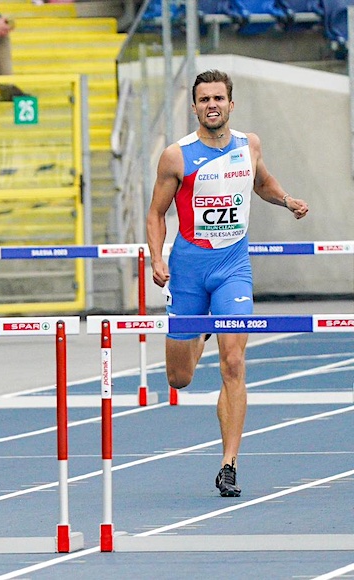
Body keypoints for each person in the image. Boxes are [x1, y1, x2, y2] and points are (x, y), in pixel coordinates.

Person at [146, 69, 309, 498]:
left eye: (219, 98)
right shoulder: (175, 157)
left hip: (233, 269)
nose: (212, 104)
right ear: (195, 106)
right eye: (204, 99)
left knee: (233, 363)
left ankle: (229, 464)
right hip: (187, 271)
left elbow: (262, 183)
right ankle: (199, 325)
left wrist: (286, 199)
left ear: (231, 104)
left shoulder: (248, 145)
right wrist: (156, 257)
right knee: (179, 378)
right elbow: (155, 214)